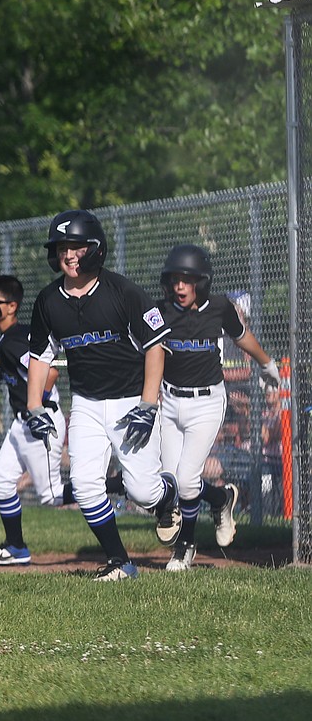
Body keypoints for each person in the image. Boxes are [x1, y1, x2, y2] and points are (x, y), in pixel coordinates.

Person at [24, 210, 180, 581]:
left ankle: (167, 495)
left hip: (131, 401)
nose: (69, 255)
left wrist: (148, 404)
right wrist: (33, 405)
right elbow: (40, 356)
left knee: (141, 492)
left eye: (76, 246)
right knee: (84, 484)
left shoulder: (123, 292)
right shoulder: (48, 300)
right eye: (62, 248)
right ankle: (120, 562)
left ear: (95, 248)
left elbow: (155, 347)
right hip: (87, 404)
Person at [155, 244, 281, 571]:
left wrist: (266, 364)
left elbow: (241, 336)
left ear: (202, 281)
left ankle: (185, 547)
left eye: (188, 280)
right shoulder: (160, 312)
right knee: (170, 481)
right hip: (169, 402)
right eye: (175, 280)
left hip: (207, 403)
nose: (180, 287)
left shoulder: (219, 307)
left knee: (186, 480)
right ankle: (221, 498)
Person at [0, 275, 65, 566]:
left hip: (39, 422)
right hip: (21, 423)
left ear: (12, 306)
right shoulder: (13, 336)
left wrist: (36, 405)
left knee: (53, 496)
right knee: (1, 482)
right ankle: (16, 548)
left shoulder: (14, 340)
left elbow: (49, 373)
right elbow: (20, 372)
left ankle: (119, 486)